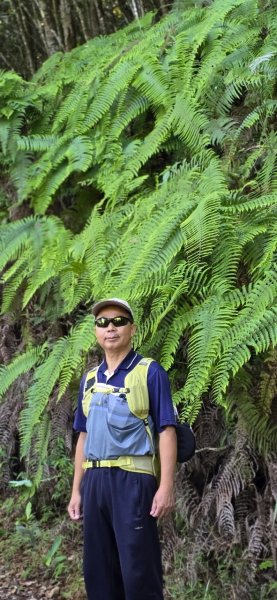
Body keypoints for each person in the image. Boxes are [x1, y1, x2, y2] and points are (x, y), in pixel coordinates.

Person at [68, 298, 177, 600]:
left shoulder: (149, 372)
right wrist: (77, 490)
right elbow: (83, 436)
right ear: (96, 332)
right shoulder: (89, 380)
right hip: (95, 483)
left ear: (133, 329)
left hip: (133, 481)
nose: (110, 328)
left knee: (138, 570)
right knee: (98, 572)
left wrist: (166, 486)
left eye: (118, 321)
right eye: (103, 323)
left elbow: (167, 430)